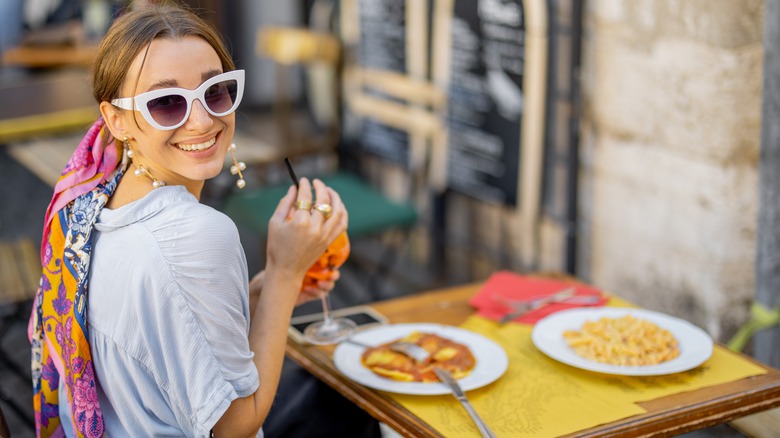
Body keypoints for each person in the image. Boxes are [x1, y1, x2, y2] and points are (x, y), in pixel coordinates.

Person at [28, 3, 378, 437]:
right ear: (116, 120)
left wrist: (262, 293)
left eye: (215, 91)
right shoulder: (194, 234)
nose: (202, 119)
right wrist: (286, 272)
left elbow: (170, 335)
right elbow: (235, 426)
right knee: (357, 403)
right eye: (166, 103)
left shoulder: (93, 204)